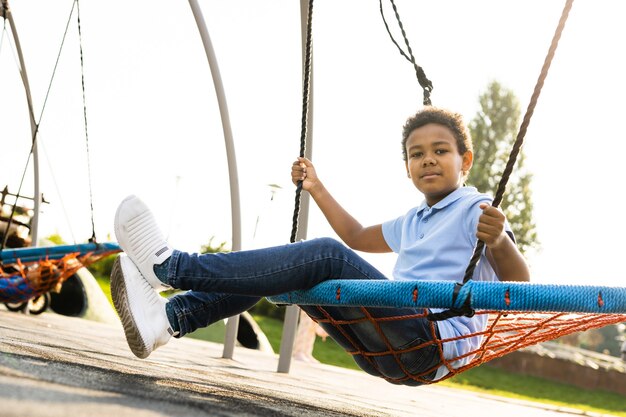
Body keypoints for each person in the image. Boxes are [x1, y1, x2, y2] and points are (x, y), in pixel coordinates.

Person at [110, 106, 530, 384]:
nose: (428, 160)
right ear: (407, 168)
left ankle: (172, 269)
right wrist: (316, 187)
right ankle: (169, 320)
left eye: (441, 151)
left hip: (428, 342)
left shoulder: (476, 209)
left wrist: (498, 241)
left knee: (324, 255)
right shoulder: (415, 219)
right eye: (416, 154)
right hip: (388, 348)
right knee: (295, 276)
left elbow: (520, 284)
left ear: (466, 160)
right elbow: (358, 237)